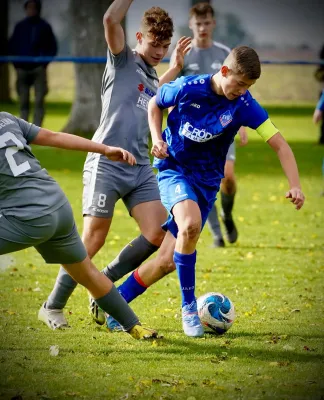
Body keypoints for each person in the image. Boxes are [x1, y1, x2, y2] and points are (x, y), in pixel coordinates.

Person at [108, 46, 305, 337]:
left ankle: (114, 302)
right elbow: (154, 104)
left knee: (166, 261)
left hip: (207, 184)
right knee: (190, 225)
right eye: (239, 84)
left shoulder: (245, 105)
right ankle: (189, 309)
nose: (241, 91)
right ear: (224, 71)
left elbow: (280, 144)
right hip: (173, 170)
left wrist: (295, 185)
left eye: (248, 87)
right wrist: (157, 138)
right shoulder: (188, 88)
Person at [39, 0, 191, 330]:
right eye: (154, 44)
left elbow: (154, 90)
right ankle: (52, 306)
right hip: (106, 164)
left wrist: (176, 66)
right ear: (139, 37)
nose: (159, 51)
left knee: (156, 233)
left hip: (139, 169)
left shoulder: (153, 77)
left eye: (164, 46)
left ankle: (104, 280)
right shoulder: (121, 59)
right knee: (92, 240)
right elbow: (110, 18)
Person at [0, 111, 158, 340]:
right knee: (88, 274)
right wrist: (104, 149)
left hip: (30, 217)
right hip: (57, 206)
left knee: (88, 273)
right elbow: (54, 137)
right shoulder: (6, 118)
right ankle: (134, 326)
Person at [170, 2, 248, 247]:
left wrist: (243, 124)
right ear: (191, 24)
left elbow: (239, 89)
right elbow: (173, 92)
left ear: (213, 24)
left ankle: (226, 213)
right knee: (203, 180)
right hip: (193, 132)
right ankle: (216, 234)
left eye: (206, 23)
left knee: (228, 178)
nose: (202, 28)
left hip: (223, 129)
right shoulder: (185, 54)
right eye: (198, 23)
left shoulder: (225, 53)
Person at [8, 0, 57, 126]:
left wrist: (44, 63)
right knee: (23, 101)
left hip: (38, 69)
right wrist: (16, 64)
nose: (31, 11)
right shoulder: (20, 27)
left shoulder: (44, 27)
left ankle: (37, 129)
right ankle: (23, 128)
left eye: (33, 8)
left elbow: (52, 47)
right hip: (22, 69)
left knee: (39, 100)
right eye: (29, 8)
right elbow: (12, 46)